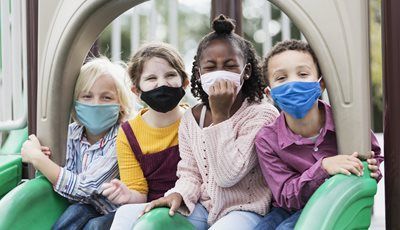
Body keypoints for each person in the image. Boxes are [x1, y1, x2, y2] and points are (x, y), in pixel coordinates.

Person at [139, 15, 279, 230]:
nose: (220, 73)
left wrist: (221, 116)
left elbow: (228, 176)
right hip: (204, 207)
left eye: (230, 66)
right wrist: (178, 194)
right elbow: (190, 173)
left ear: (246, 71)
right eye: (210, 67)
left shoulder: (262, 115)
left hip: (245, 210)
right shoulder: (191, 118)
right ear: (199, 73)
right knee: (147, 220)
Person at [254, 39, 384, 230]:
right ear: (270, 93)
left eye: (303, 74)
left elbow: (372, 158)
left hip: (334, 202)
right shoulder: (267, 140)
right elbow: (285, 196)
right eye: (281, 78)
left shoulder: (346, 123)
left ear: (321, 84)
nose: (293, 83)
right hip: (289, 208)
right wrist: (323, 167)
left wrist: (371, 168)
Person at [20, 57, 132, 230]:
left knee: (93, 225)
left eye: (106, 97)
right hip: (82, 207)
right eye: (87, 96)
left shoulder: (122, 138)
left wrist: (37, 158)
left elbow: (87, 187)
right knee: (76, 211)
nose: (96, 104)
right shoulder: (71, 134)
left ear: (121, 107)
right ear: (76, 103)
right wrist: (39, 153)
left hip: (115, 212)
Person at [102, 43, 189, 229]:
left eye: (170, 75)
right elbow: (139, 193)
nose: (162, 84)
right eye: (151, 78)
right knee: (124, 213)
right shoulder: (128, 134)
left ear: (185, 82)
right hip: (149, 208)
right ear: (137, 91)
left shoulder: (195, 121)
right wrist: (127, 195)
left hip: (189, 205)